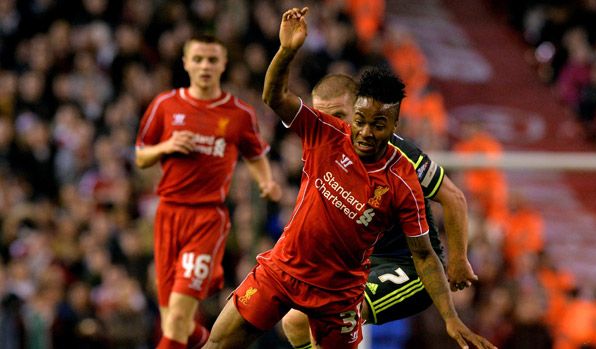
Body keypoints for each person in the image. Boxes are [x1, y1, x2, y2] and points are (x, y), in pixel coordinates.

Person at [204, 7, 496, 349]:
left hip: (391, 269)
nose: (343, 125)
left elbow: (451, 204)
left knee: (314, 315)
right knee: (284, 324)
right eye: (333, 117)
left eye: (344, 115)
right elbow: (274, 98)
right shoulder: (323, 133)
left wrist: (458, 266)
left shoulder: (402, 167)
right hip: (294, 267)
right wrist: (286, 50)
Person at [281, 73, 482, 349]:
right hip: (362, 264)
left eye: (341, 114)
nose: (333, 124)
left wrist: (459, 259)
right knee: (293, 323)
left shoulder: (398, 153)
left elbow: (454, 197)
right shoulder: (325, 147)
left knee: (332, 317)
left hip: (411, 267)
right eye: (324, 116)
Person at [134, 33, 281, 349]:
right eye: (198, 59)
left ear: (223, 64)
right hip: (167, 214)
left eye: (212, 59)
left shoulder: (238, 114)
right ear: (185, 62)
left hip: (206, 219)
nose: (205, 66)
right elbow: (141, 156)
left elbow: (255, 153)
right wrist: (167, 146)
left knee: (175, 322)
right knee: (178, 323)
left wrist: (265, 181)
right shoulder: (165, 105)